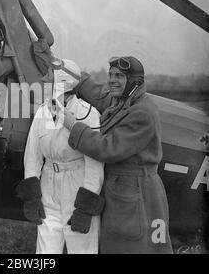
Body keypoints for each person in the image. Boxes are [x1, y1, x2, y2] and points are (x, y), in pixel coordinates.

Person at [61, 56, 173, 254]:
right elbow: (98, 94)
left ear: (135, 82)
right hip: (124, 188)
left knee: (133, 246)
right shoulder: (124, 100)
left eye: (119, 76)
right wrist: (66, 69)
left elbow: (108, 149)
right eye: (110, 75)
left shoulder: (142, 112)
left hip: (136, 191)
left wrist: (73, 126)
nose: (112, 80)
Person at [16, 58, 104, 254]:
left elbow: (94, 165)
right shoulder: (44, 111)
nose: (43, 78)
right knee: (45, 251)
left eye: (48, 74)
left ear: (62, 80)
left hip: (77, 188)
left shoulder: (88, 113)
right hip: (48, 188)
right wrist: (32, 196)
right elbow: (33, 156)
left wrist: (85, 207)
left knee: (81, 249)